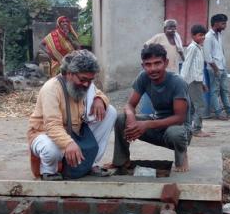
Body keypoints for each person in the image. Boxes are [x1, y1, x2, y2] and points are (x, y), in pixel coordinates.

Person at [28, 50, 117, 180]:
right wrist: (68, 143)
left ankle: (91, 163)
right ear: (69, 74)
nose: (86, 84)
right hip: (45, 134)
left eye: (90, 80)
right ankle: (48, 171)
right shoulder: (51, 89)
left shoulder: (85, 85)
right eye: (83, 79)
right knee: (51, 150)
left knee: (110, 112)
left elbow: (97, 92)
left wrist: (99, 99)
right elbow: (52, 126)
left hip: (74, 133)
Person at [112, 44, 192, 172]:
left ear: (166, 63)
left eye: (157, 63)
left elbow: (179, 118)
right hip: (157, 125)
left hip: (179, 130)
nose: (153, 68)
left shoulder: (178, 82)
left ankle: (181, 155)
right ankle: (121, 161)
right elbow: (130, 105)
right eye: (148, 64)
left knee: (175, 133)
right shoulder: (143, 77)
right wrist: (131, 119)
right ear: (143, 65)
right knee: (122, 119)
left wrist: (146, 124)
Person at [204, 14, 230, 120]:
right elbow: (207, 56)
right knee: (215, 91)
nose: (225, 26)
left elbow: (220, 52)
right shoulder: (208, 37)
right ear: (215, 23)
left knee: (224, 90)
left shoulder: (219, 35)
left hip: (222, 67)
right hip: (214, 68)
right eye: (223, 23)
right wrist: (215, 69)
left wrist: (223, 67)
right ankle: (218, 113)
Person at [180, 24, 211, 137]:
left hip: (197, 81)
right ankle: (197, 129)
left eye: (204, 35)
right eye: (200, 35)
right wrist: (182, 81)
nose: (202, 37)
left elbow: (198, 68)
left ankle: (190, 128)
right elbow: (186, 64)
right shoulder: (192, 48)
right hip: (192, 81)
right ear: (193, 36)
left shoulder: (199, 47)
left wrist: (203, 83)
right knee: (200, 105)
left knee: (192, 106)